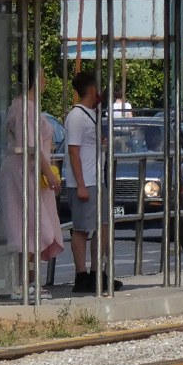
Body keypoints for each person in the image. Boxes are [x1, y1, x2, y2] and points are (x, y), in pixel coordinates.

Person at [0, 61, 65, 300]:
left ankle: (27, 283)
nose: (47, 81)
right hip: (25, 171)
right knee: (32, 225)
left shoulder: (25, 107)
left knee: (31, 225)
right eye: (44, 76)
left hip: (28, 170)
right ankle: (24, 284)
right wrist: (48, 171)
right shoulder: (24, 108)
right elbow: (30, 145)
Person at [64, 69, 123, 295]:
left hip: (96, 178)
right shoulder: (77, 116)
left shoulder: (93, 114)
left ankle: (98, 270)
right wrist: (80, 184)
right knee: (81, 229)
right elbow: (73, 151)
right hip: (84, 180)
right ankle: (81, 274)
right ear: (91, 90)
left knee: (104, 225)